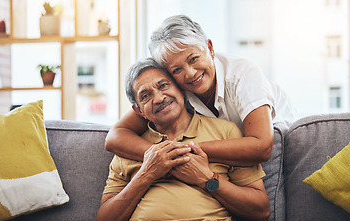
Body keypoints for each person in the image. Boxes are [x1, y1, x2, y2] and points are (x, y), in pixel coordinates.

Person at [70, 58, 270, 221]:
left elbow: (261, 210)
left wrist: (207, 179)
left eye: (163, 85)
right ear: (139, 111)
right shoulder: (130, 147)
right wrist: (147, 174)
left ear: (182, 90)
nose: (158, 98)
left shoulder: (225, 132)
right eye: (146, 96)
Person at [105, 15, 297, 167]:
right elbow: (115, 137)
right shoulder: (174, 91)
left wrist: (183, 150)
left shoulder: (243, 73)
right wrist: (161, 155)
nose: (190, 74)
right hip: (223, 161)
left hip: (282, 152)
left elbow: (262, 147)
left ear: (210, 48)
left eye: (193, 59)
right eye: (176, 70)